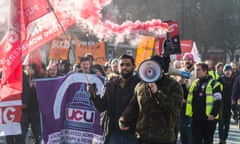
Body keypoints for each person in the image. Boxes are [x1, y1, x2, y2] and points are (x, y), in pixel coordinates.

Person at [119, 55, 183, 144]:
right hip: (142, 137)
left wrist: (157, 93)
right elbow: (133, 105)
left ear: (162, 70)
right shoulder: (141, 85)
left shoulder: (173, 86)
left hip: (163, 138)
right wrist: (124, 118)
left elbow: (174, 109)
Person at [88, 54, 140, 144]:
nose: (124, 67)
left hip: (133, 134)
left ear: (133, 66)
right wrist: (93, 95)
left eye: (128, 65)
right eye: (122, 65)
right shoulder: (110, 84)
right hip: (113, 134)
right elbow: (102, 107)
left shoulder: (139, 85)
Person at [185, 62, 222, 144]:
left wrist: (213, 114)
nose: (196, 72)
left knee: (207, 141)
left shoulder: (214, 84)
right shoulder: (195, 83)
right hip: (195, 118)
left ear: (205, 71)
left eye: (198, 70)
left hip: (208, 119)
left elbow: (218, 101)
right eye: (195, 70)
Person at [218, 64, 235, 144]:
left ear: (232, 71)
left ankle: (224, 137)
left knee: (227, 124)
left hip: (230, 104)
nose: (228, 72)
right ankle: (221, 139)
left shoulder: (234, 80)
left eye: (229, 70)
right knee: (221, 123)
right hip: (221, 104)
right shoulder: (220, 80)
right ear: (224, 72)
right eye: (226, 70)